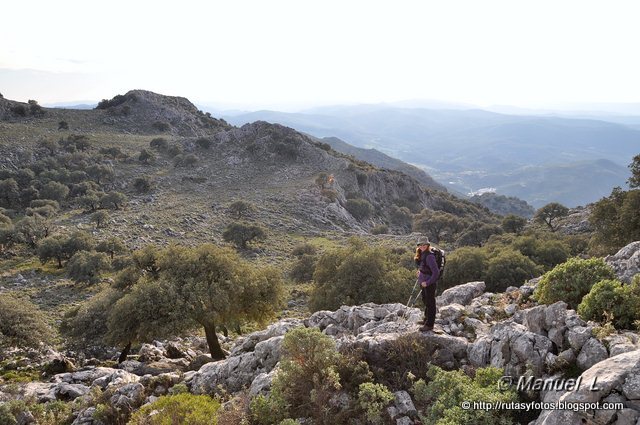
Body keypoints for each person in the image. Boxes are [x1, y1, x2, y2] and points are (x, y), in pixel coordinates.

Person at [415, 237, 440, 331]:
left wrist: (428, 282)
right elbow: (424, 267)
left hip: (429, 283)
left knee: (430, 303)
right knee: (425, 301)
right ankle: (426, 319)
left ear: (428, 245)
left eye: (424, 245)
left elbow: (436, 273)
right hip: (424, 282)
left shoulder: (429, 256)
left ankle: (430, 324)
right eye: (420, 245)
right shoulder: (422, 254)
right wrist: (420, 272)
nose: (422, 246)